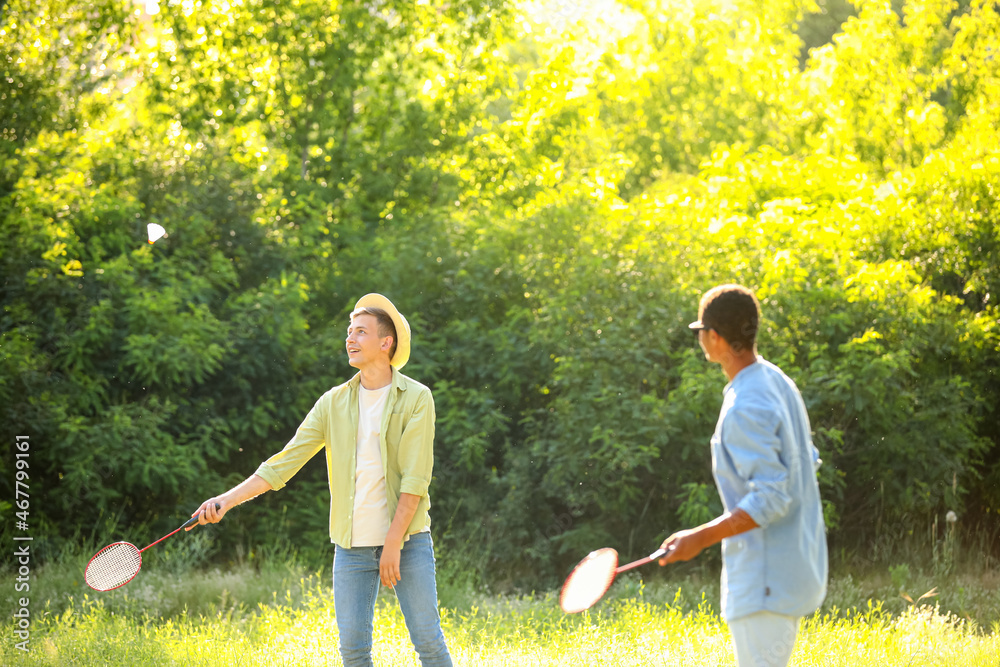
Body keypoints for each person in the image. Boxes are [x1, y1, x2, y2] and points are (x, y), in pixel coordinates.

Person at [190, 293, 452, 667]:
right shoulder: (333, 403)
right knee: (354, 652)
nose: (350, 338)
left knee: (428, 641)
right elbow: (283, 463)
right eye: (349, 331)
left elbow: (416, 479)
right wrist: (226, 500)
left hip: (407, 542)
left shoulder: (416, 398)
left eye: (361, 331)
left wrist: (393, 542)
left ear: (385, 342)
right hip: (351, 548)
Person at [658, 284, 827, 667]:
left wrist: (697, 538)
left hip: (767, 578)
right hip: (794, 568)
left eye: (700, 331)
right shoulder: (778, 382)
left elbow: (771, 497)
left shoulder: (745, 405)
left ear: (714, 337)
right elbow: (803, 468)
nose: (700, 339)